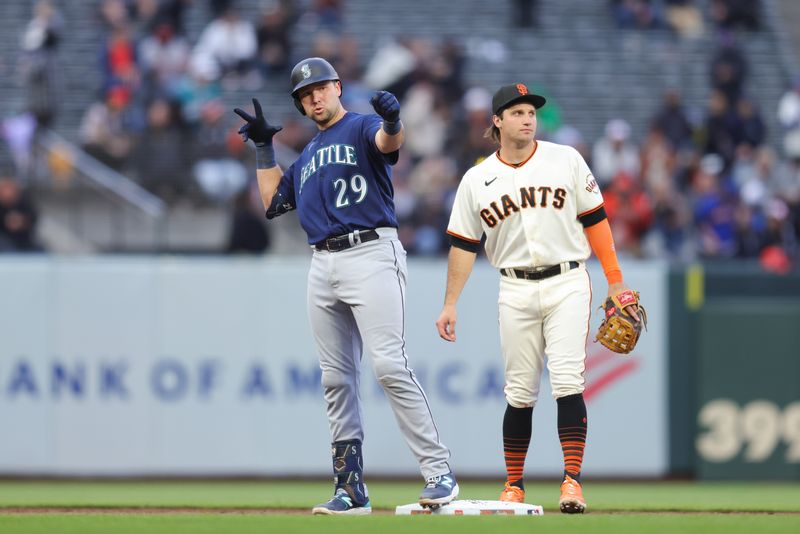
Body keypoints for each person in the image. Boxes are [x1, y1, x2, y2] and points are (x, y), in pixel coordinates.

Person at [234, 57, 457, 515]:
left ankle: (438, 472)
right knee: (335, 379)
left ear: (337, 87)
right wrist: (263, 149)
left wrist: (394, 120)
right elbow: (276, 203)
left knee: (389, 366)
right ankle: (350, 488)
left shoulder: (361, 127)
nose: (313, 98)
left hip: (372, 251)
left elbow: (387, 142)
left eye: (319, 88)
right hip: (323, 262)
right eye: (304, 95)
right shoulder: (309, 154)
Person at [435, 83, 641, 514]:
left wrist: (615, 280)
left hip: (568, 279)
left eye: (531, 112)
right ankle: (514, 484)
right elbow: (462, 245)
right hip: (514, 286)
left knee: (567, 381)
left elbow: (597, 220)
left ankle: (571, 482)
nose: (528, 119)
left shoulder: (565, 159)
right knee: (519, 391)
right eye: (517, 112)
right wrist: (451, 302)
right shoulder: (476, 179)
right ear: (497, 121)